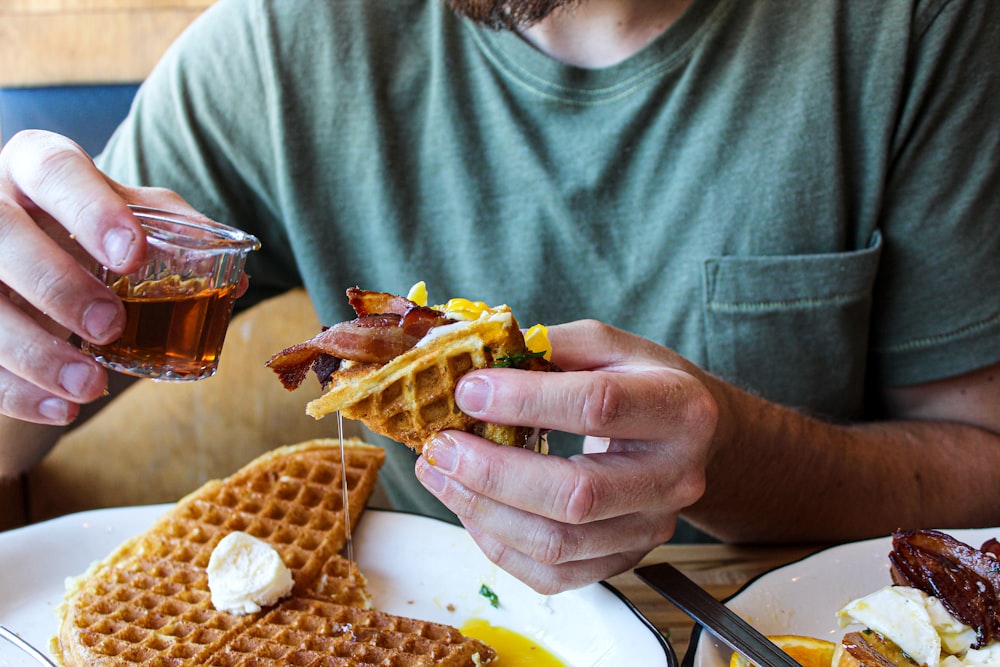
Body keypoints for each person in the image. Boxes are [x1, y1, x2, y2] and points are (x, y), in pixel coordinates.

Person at [1, 0, 998, 595]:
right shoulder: (283, 45)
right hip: (435, 619)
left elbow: (981, 460)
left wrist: (735, 457)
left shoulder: (915, 29)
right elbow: (29, 402)